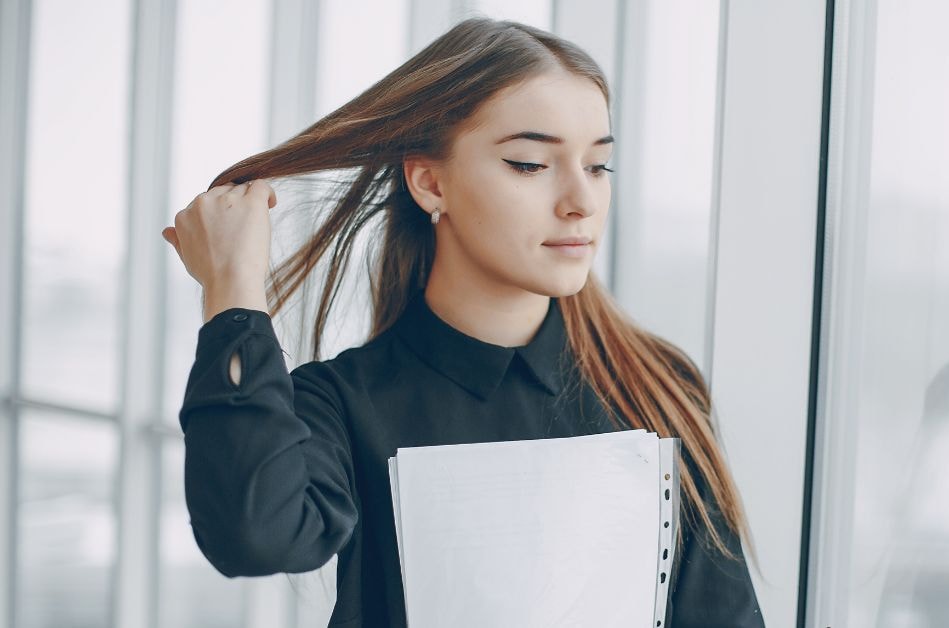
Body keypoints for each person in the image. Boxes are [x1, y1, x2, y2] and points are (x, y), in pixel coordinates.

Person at [161, 16, 764, 628]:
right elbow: (253, 534)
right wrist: (233, 293)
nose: (581, 200)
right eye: (530, 163)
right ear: (430, 182)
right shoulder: (343, 405)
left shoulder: (656, 384)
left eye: (598, 166)